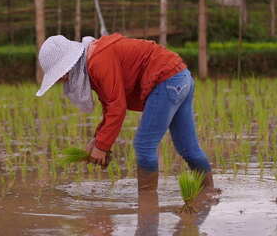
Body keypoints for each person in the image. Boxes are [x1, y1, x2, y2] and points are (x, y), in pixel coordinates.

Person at [35, 33, 216, 194]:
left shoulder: (98, 61)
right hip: (181, 77)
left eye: (61, 75)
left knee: (144, 145)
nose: (62, 80)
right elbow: (109, 104)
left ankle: (147, 203)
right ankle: (209, 192)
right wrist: (98, 140)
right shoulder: (95, 57)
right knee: (187, 147)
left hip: (166, 79)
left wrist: (102, 147)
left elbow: (117, 108)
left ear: (69, 65)